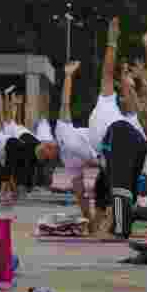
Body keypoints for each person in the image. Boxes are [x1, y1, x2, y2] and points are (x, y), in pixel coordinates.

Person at [87, 17, 147, 240]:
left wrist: (112, 43)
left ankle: (120, 229)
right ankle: (112, 223)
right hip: (124, 150)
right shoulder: (110, 103)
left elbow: (107, 73)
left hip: (120, 139)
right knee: (107, 185)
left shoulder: (122, 114)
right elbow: (108, 76)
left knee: (120, 186)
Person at [35, 61, 101, 226]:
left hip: (106, 138)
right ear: (49, 157)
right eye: (46, 150)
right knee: (99, 191)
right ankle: (96, 222)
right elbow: (79, 192)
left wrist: (68, 76)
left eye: (46, 144)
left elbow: (65, 102)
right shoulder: (68, 163)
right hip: (104, 158)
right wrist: (88, 218)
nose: (48, 145)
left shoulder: (60, 131)